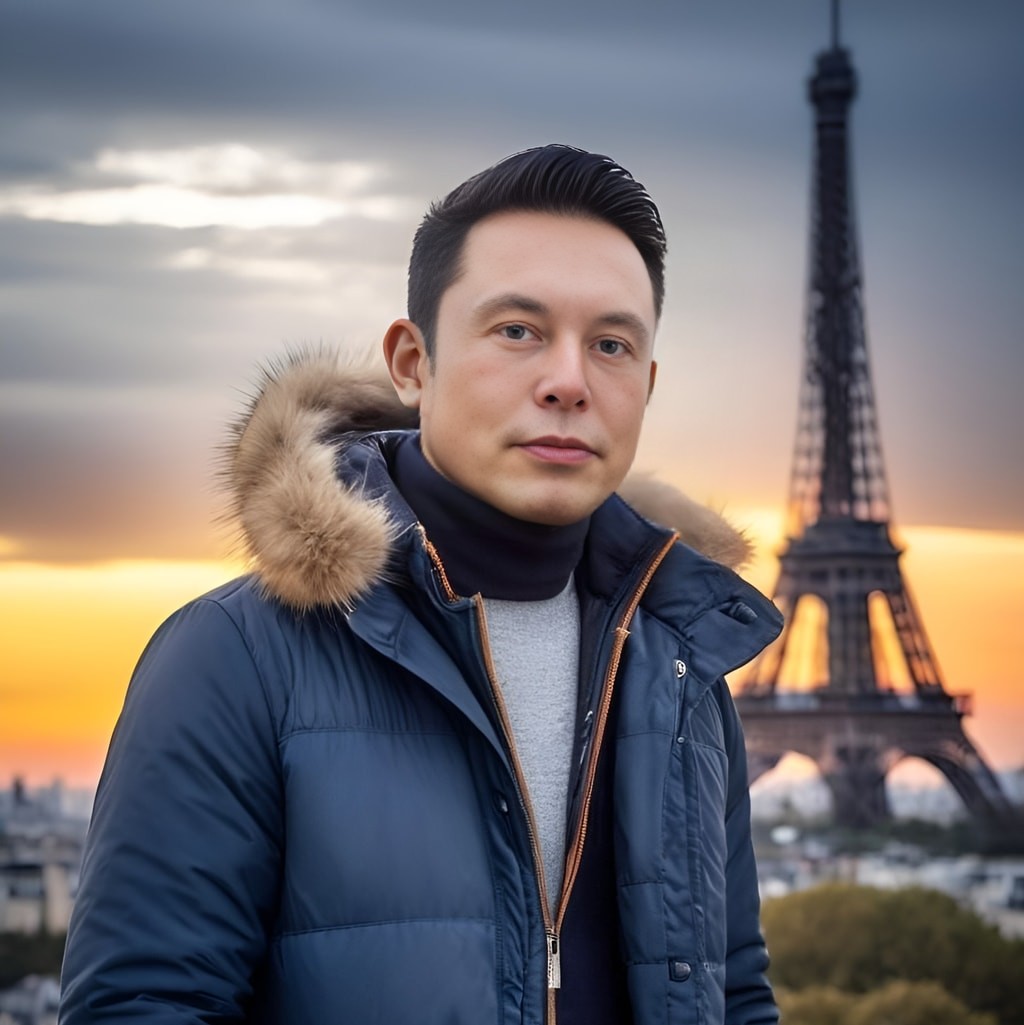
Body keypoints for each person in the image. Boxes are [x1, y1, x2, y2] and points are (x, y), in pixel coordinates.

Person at [59, 144, 783, 1024]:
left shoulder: (683, 676)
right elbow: (146, 1005)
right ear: (411, 362)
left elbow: (735, 995)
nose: (568, 381)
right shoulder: (233, 658)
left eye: (612, 344)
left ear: (649, 384)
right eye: (517, 330)